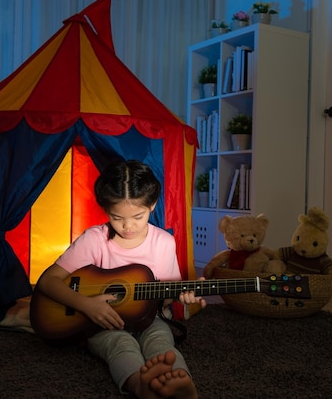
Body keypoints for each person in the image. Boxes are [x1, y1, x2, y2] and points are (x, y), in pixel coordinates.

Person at [35, 159, 206, 398]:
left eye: (138, 216)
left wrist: (182, 296)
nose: (128, 226)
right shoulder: (94, 239)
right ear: (106, 210)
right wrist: (86, 304)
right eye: (117, 217)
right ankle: (139, 385)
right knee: (120, 345)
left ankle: (181, 385)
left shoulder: (164, 242)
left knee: (161, 343)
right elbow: (47, 281)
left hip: (150, 319)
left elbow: (166, 298)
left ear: (153, 205)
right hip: (100, 323)